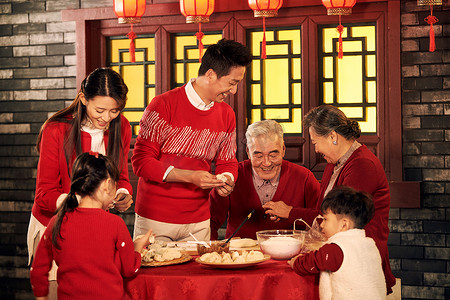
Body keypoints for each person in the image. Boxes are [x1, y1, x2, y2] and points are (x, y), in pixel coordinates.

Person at [27, 67, 134, 295]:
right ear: (84, 98)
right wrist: (83, 204)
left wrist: (123, 193)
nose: (106, 118)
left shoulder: (121, 126)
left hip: (93, 228)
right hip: (56, 227)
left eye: (114, 110)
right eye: (100, 110)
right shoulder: (57, 129)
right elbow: (44, 194)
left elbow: (121, 176)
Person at [132, 39, 252, 242]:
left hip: (199, 221)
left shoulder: (226, 114)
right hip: (155, 218)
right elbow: (141, 162)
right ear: (211, 75)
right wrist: (190, 177)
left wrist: (227, 179)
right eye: (232, 83)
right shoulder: (163, 104)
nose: (234, 91)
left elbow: (227, 161)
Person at [30, 152, 152, 300]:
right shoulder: (115, 223)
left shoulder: (58, 220)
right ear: (107, 185)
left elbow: (38, 269)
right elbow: (130, 269)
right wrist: (138, 246)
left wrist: (41, 296)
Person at [303, 104, 396, 293]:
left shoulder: (362, 164)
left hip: (357, 260)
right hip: (342, 254)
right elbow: (323, 211)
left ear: (332, 136)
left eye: (315, 143)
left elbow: (339, 216)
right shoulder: (335, 162)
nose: (316, 149)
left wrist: (290, 212)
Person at [210, 119, 320, 240]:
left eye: (273, 155)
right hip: (239, 256)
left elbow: (323, 220)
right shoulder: (233, 176)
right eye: (258, 155)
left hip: (290, 255)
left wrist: (291, 213)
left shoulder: (304, 177)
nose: (266, 163)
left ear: (283, 149)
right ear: (248, 152)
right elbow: (210, 222)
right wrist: (214, 252)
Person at [289, 186, 386, 300]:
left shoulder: (338, 247)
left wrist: (296, 262)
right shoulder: (369, 244)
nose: (321, 224)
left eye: (325, 219)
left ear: (344, 224)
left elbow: (314, 261)